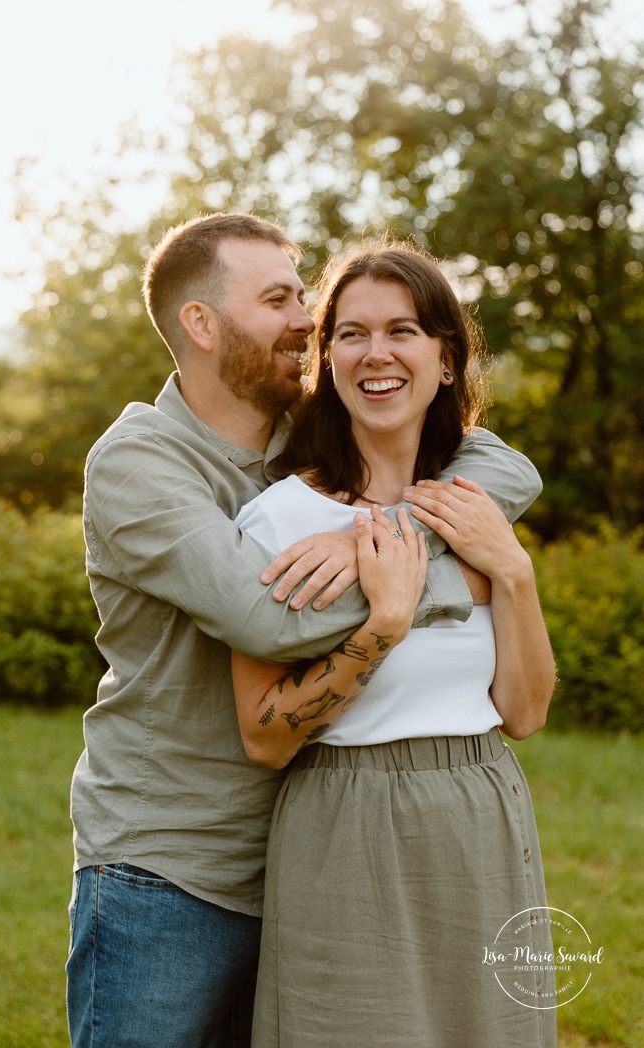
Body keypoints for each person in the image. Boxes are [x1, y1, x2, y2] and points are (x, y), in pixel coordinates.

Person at [66, 213, 544, 1048]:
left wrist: (392, 532)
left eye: (304, 297)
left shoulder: (307, 438)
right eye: (280, 298)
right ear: (202, 324)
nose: (305, 321)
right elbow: (265, 617)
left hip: (305, 845)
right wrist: (434, 578)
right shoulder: (139, 462)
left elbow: (502, 464)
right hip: (176, 864)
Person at [232, 242, 557, 1047]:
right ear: (326, 359)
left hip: (482, 811)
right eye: (350, 333)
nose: (376, 354)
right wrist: (380, 623)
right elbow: (264, 738)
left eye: (402, 330)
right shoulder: (281, 521)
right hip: (347, 820)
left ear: (445, 359)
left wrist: (511, 572)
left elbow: (522, 712)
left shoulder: (472, 507)